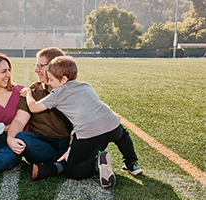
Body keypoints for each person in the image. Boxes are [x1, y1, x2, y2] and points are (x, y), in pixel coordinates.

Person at [22, 56, 142, 188]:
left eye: (51, 80)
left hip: (89, 133)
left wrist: (28, 93)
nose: (49, 83)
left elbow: (33, 107)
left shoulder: (57, 93)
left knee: (71, 170)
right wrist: (70, 147)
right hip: (112, 123)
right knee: (123, 136)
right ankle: (132, 163)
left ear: (64, 79)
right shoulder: (85, 85)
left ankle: (96, 163)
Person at [7, 47, 72, 180]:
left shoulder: (72, 90)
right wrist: (10, 138)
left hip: (68, 141)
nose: (36, 70)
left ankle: (56, 165)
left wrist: (73, 145)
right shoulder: (32, 91)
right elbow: (20, 120)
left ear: (55, 67)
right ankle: (67, 162)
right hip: (43, 144)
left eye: (40, 66)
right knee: (22, 137)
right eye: (36, 65)